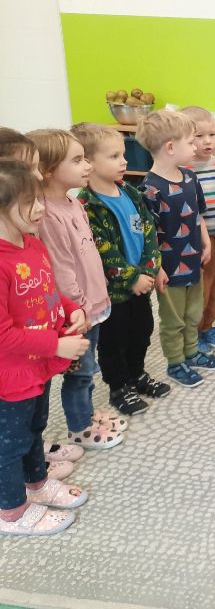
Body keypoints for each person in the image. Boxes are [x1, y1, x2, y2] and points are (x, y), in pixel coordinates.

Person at [0, 160, 89, 537]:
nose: (40, 208)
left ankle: (36, 484)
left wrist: (71, 310)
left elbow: (48, 292)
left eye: (39, 198)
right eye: (28, 201)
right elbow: (3, 334)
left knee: (35, 427)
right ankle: (11, 511)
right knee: (10, 445)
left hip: (40, 362)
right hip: (11, 374)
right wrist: (57, 343)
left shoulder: (33, 243)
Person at [30, 129, 122, 449]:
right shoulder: (48, 214)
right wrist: (80, 307)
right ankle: (80, 427)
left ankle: (87, 413)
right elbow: (61, 270)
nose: (87, 166)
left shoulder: (73, 202)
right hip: (79, 311)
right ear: (48, 170)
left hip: (93, 303)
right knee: (79, 373)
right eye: (78, 160)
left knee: (88, 367)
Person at [74, 123, 168, 415]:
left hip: (142, 283)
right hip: (113, 292)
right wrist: (132, 278)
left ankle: (137, 374)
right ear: (88, 162)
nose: (124, 161)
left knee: (142, 331)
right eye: (114, 156)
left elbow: (149, 231)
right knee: (114, 341)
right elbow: (103, 252)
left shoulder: (130, 192)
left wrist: (150, 270)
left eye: (123, 154)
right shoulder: (86, 205)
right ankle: (118, 386)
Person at [138, 110, 215, 388]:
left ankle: (192, 352)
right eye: (190, 141)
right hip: (168, 268)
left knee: (193, 312)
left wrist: (206, 241)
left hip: (194, 259)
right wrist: (156, 268)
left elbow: (197, 214)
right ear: (170, 147)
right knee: (173, 318)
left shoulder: (189, 177)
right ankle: (176, 362)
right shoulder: (149, 189)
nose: (195, 146)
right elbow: (147, 235)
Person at [182, 106, 215, 355]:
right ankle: (193, 331)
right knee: (200, 290)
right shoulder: (183, 171)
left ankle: (208, 326)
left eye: (212, 135)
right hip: (197, 242)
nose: (207, 141)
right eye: (199, 136)